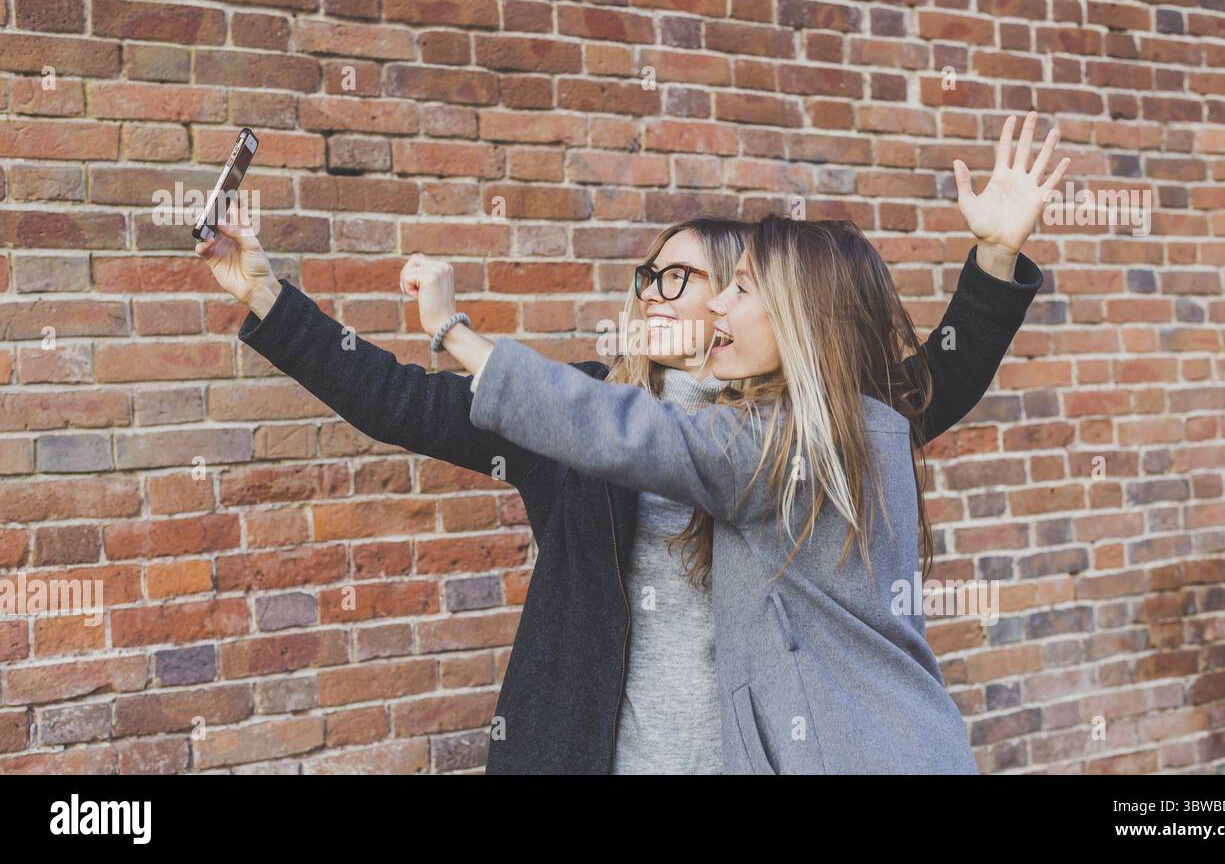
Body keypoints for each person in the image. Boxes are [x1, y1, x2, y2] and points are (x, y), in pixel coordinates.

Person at [197, 113, 1066, 773]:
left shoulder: (807, 428)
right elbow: (398, 402)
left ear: (743, 298)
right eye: (648, 274)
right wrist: (272, 297)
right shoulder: (572, 410)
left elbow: (927, 388)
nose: (654, 292)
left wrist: (992, 259)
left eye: (683, 277)